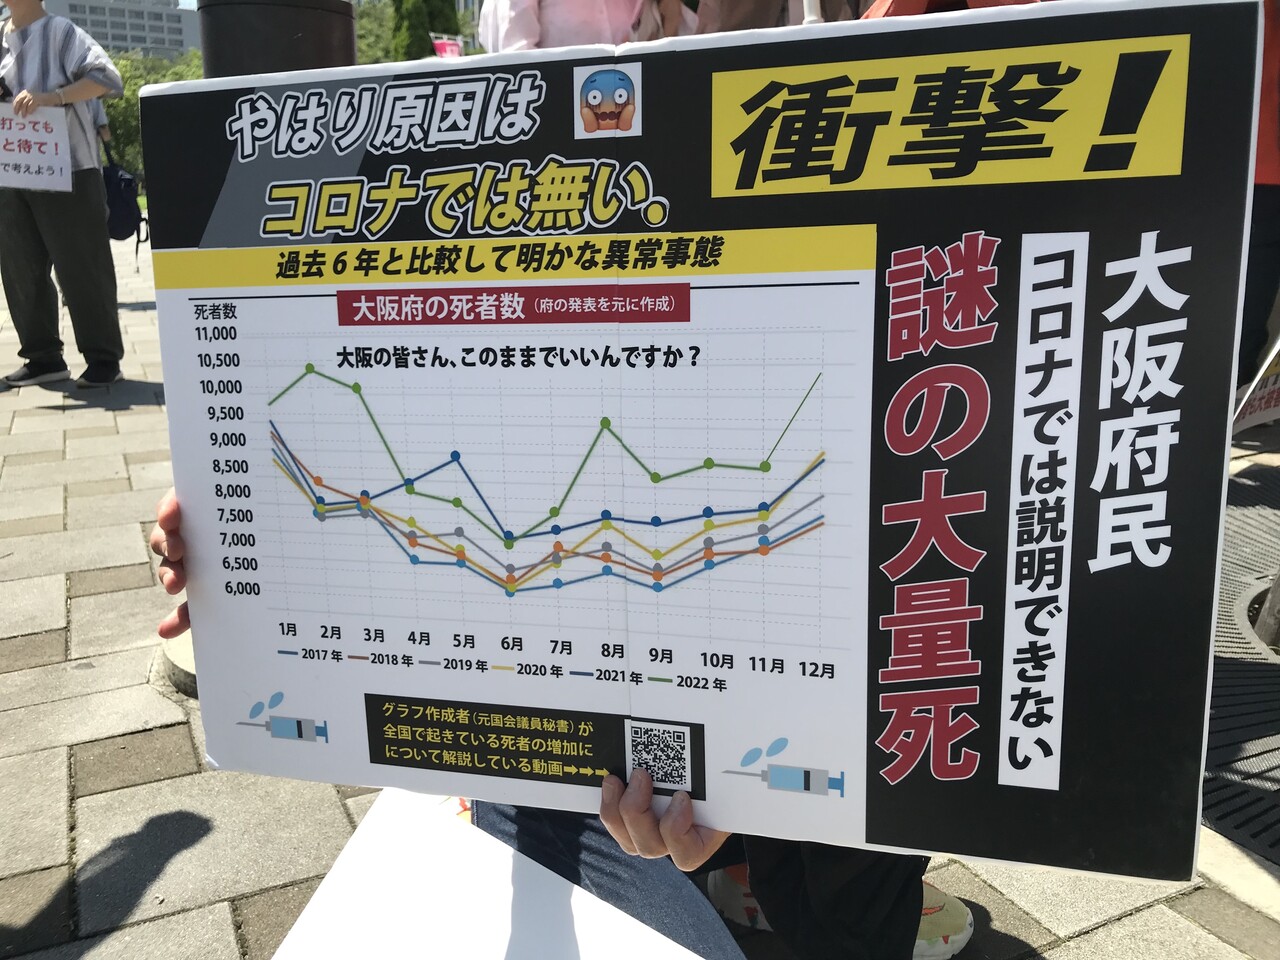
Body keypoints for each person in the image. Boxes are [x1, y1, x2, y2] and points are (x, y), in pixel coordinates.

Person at [0, 0, 125, 389]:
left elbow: (107, 78)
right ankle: (43, 358)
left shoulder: (60, 32)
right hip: (10, 169)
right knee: (20, 268)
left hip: (68, 167)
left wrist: (51, 97)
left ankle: (103, 357)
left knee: (82, 265)